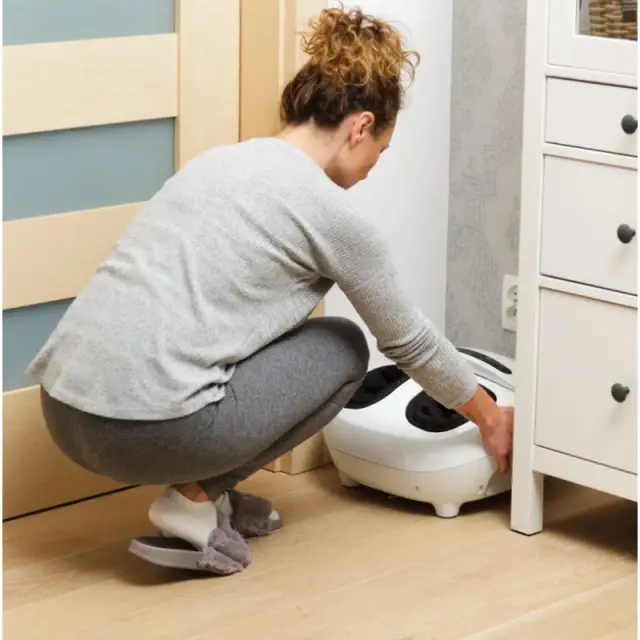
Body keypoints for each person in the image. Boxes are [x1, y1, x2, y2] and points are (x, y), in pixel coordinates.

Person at [29, 6, 513, 572]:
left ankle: (210, 496)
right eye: (379, 151)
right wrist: (490, 418)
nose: (372, 168)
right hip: (145, 433)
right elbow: (410, 342)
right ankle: (194, 498)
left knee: (251, 328)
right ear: (360, 127)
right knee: (343, 346)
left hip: (62, 412)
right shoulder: (331, 212)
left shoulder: (219, 163)